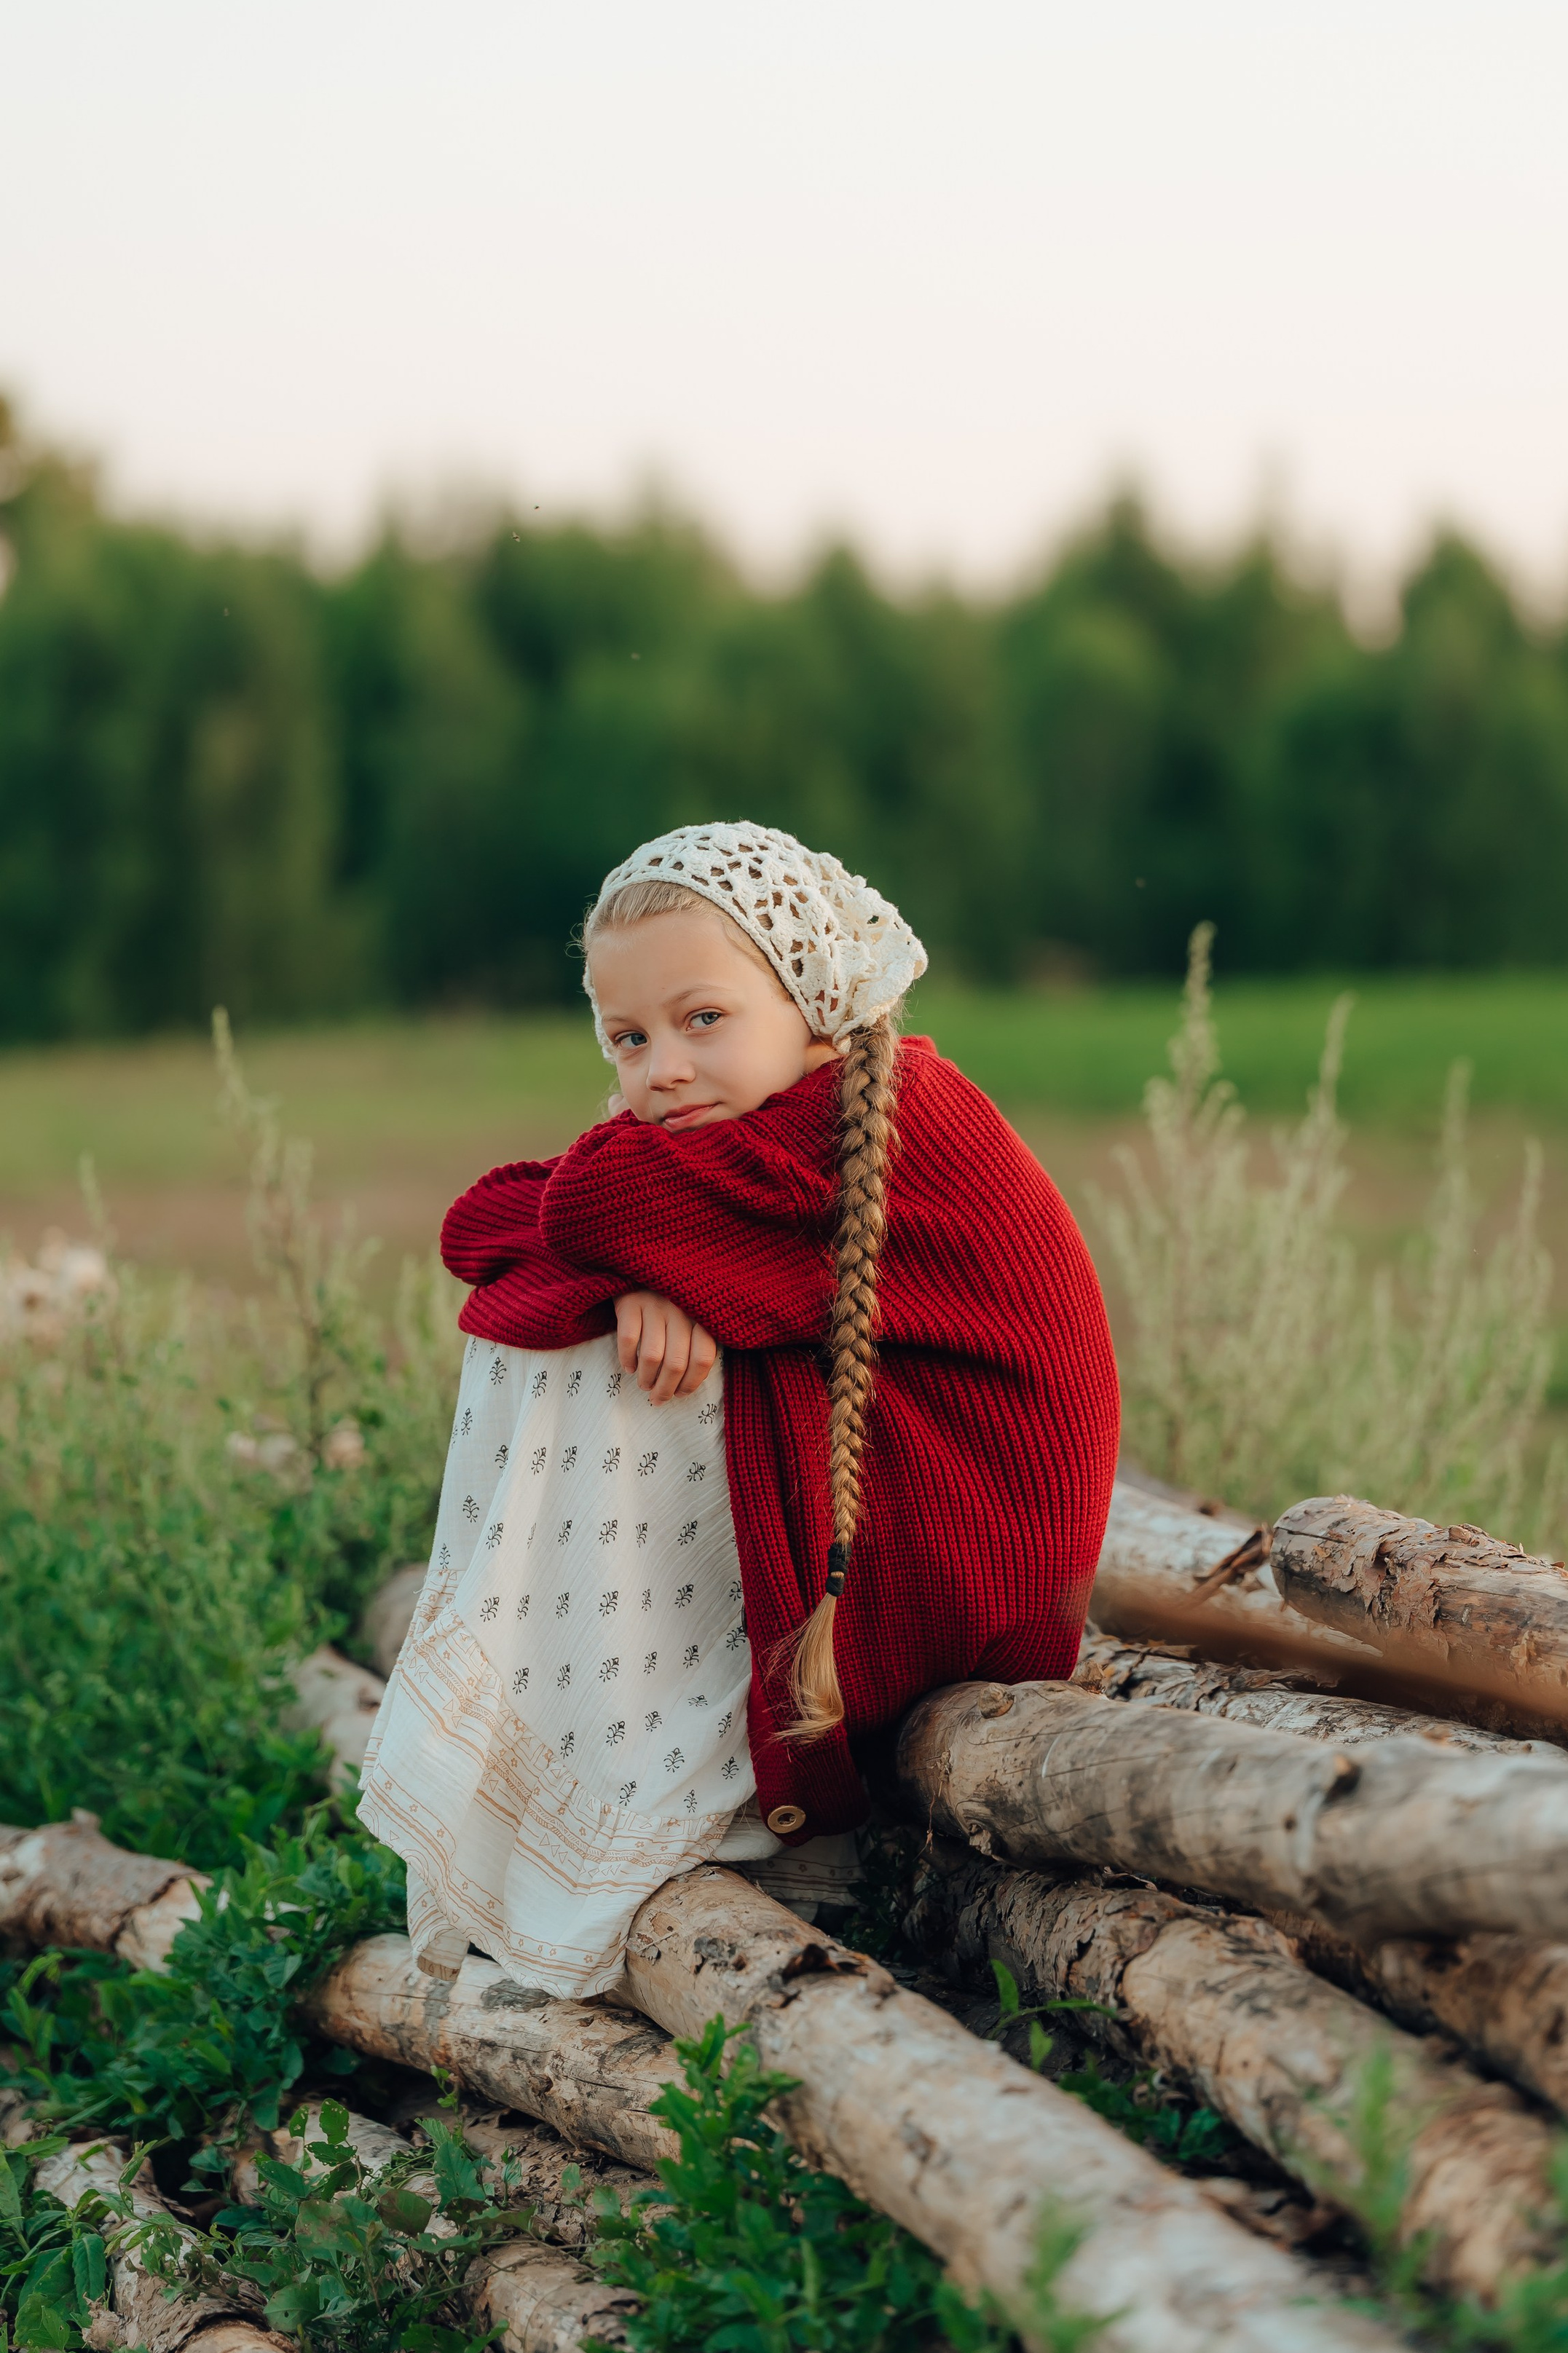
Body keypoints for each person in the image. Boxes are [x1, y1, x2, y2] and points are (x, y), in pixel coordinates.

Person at [358, 821, 1121, 1995]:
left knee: (590, 1366)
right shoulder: (782, 1121)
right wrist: (632, 1284)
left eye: (702, 1019)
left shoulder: (864, 1132)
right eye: (629, 1036)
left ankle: (644, 1789)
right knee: (587, 1336)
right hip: (908, 1532)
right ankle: (607, 1778)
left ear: (815, 998)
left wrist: (623, 1272)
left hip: (958, 1577)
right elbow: (490, 1226)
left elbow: (567, 1207)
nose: (661, 1067)